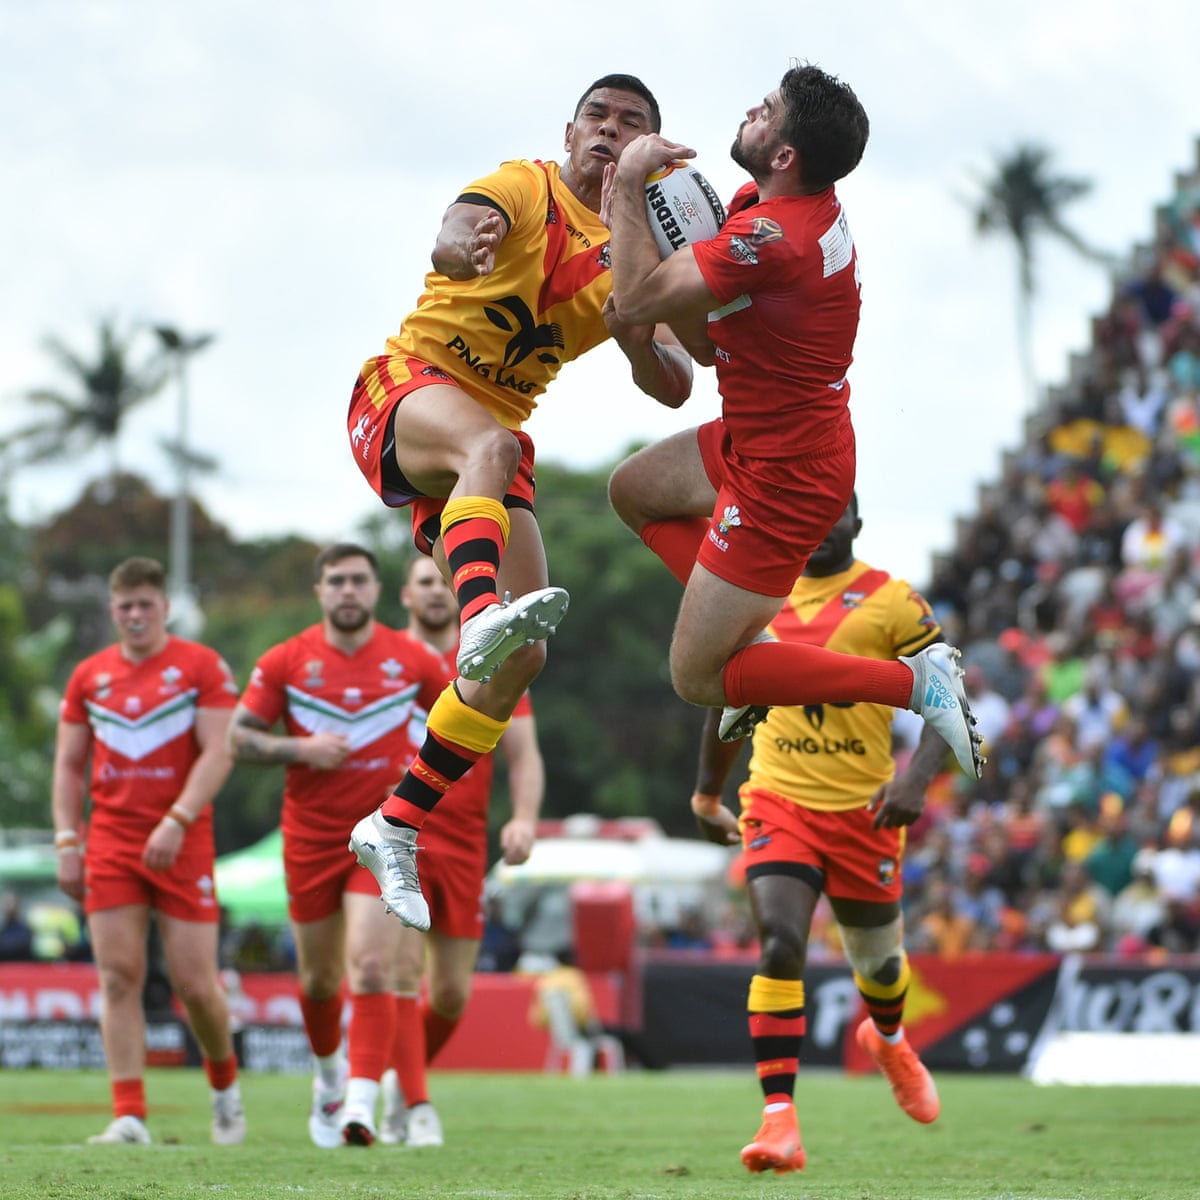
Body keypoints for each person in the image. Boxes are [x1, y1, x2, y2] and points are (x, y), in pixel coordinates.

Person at [346, 73, 694, 929]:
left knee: (526, 657)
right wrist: (461, 248)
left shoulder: (644, 252)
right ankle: (473, 619)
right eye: (598, 119)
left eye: (632, 125)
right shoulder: (521, 183)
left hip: (488, 449)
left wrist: (632, 337)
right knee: (492, 452)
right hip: (408, 388)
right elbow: (453, 232)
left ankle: (395, 823)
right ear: (569, 133)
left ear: (652, 150)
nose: (610, 133)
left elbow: (678, 384)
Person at [601, 61, 982, 780]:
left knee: (698, 679)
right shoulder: (770, 204)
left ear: (785, 157)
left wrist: (625, 185)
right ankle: (761, 653)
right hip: (766, 439)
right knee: (634, 490)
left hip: (784, 479)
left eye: (767, 109)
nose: (752, 108)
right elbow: (710, 348)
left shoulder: (775, 237)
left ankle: (915, 685)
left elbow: (642, 299)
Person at [687, 496, 945, 1175]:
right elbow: (723, 698)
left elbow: (951, 697)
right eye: (815, 512)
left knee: (881, 971)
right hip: (778, 802)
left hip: (865, 814)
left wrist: (916, 780)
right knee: (780, 940)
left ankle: (887, 1037)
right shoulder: (751, 600)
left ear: (857, 524)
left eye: (838, 513)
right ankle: (780, 1122)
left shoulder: (891, 601)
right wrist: (708, 792)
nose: (824, 523)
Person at [225, 543, 448, 1148]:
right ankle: (328, 1076)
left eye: (358, 581)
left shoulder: (413, 660)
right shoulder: (286, 662)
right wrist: (299, 749)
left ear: (377, 591)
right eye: (336, 581)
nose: (348, 591)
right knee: (320, 980)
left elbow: (461, 719)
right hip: (307, 840)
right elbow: (238, 739)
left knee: (372, 967)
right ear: (320, 591)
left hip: (381, 835)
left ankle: (361, 1102)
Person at [50, 556, 245, 1146]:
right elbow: (68, 765)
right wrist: (66, 838)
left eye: (145, 605)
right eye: (125, 607)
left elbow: (220, 752)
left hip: (183, 838)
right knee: (118, 976)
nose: (135, 616)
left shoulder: (200, 666)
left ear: (164, 607)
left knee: (194, 983)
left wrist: (178, 819)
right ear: (113, 611)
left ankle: (223, 1087)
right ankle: (129, 1113)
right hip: (110, 840)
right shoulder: (90, 676)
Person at [377, 555, 544, 1148]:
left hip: (466, 841)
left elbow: (524, 754)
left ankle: (397, 1078)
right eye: (424, 581)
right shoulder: (384, 660)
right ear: (404, 595)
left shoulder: (492, 656)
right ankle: (418, 1105)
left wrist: (523, 819)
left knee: (449, 995)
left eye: (445, 581)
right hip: (402, 836)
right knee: (397, 975)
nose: (436, 591)